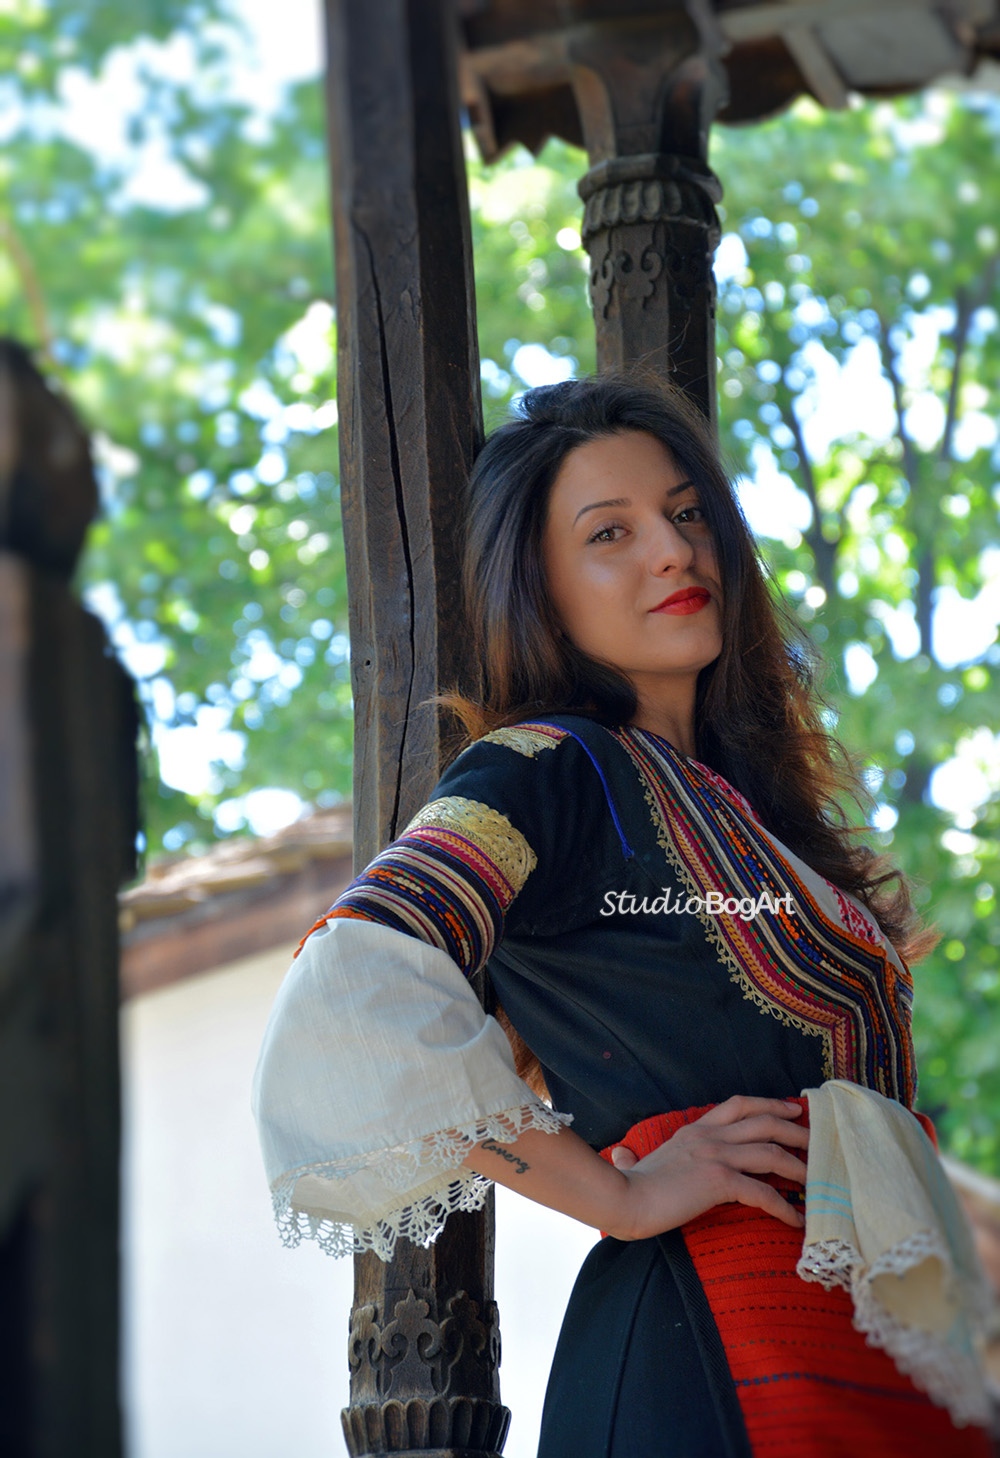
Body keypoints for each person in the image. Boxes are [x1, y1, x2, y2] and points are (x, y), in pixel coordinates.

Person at [252, 375, 993, 1457]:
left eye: (687, 513)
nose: (674, 551)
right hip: (716, 1347)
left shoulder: (750, 810)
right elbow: (354, 986)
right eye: (611, 532)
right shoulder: (550, 768)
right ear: (540, 591)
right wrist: (621, 1196)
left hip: (864, 1346)